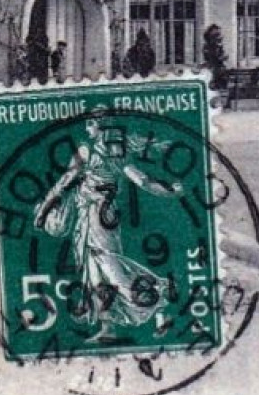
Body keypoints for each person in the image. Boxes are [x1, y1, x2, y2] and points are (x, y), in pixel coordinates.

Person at [35, 115, 182, 339]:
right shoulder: (120, 155)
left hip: (95, 218)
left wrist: (44, 209)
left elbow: (64, 182)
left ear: (100, 128)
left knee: (112, 271)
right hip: (101, 219)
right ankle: (108, 328)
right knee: (96, 274)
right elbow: (144, 182)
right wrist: (170, 190)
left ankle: (162, 294)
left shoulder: (87, 151)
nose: (88, 128)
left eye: (91, 124)